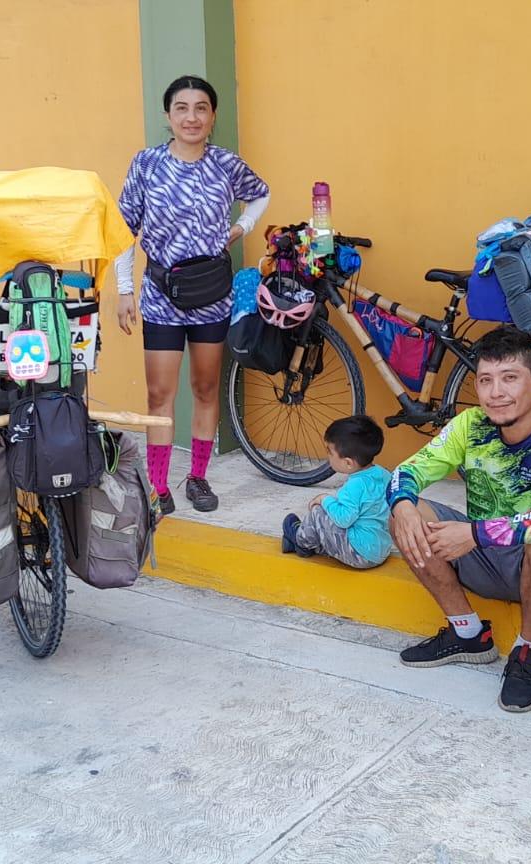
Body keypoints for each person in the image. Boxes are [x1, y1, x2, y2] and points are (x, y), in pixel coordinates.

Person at [386, 326, 531, 714]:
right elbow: (407, 471)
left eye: (510, 378)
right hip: (486, 559)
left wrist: (476, 533)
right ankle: (468, 634)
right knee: (407, 515)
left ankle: (525, 655)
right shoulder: (471, 425)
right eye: (486, 380)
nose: (496, 392)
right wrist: (401, 503)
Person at [113, 75, 270, 517]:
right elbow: (124, 229)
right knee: (159, 393)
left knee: (205, 388)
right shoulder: (146, 165)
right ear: (168, 115)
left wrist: (241, 228)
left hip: (211, 292)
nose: (192, 117)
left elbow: (261, 195)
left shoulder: (225, 163)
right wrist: (124, 289)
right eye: (182, 108)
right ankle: (159, 485)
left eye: (201, 108)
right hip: (162, 293)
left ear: (212, 115)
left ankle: (197, 477)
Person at [280, 415, 393, 569]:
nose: (328, 457)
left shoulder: (354, 485)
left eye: (330, 452)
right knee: (334, 513)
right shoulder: (384, 474)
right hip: (381, 550)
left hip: (358, 554)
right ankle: (316, 544)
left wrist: (324, 499)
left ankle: (301, 541)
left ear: (348, 463)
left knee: (318, 512)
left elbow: (344, 519)